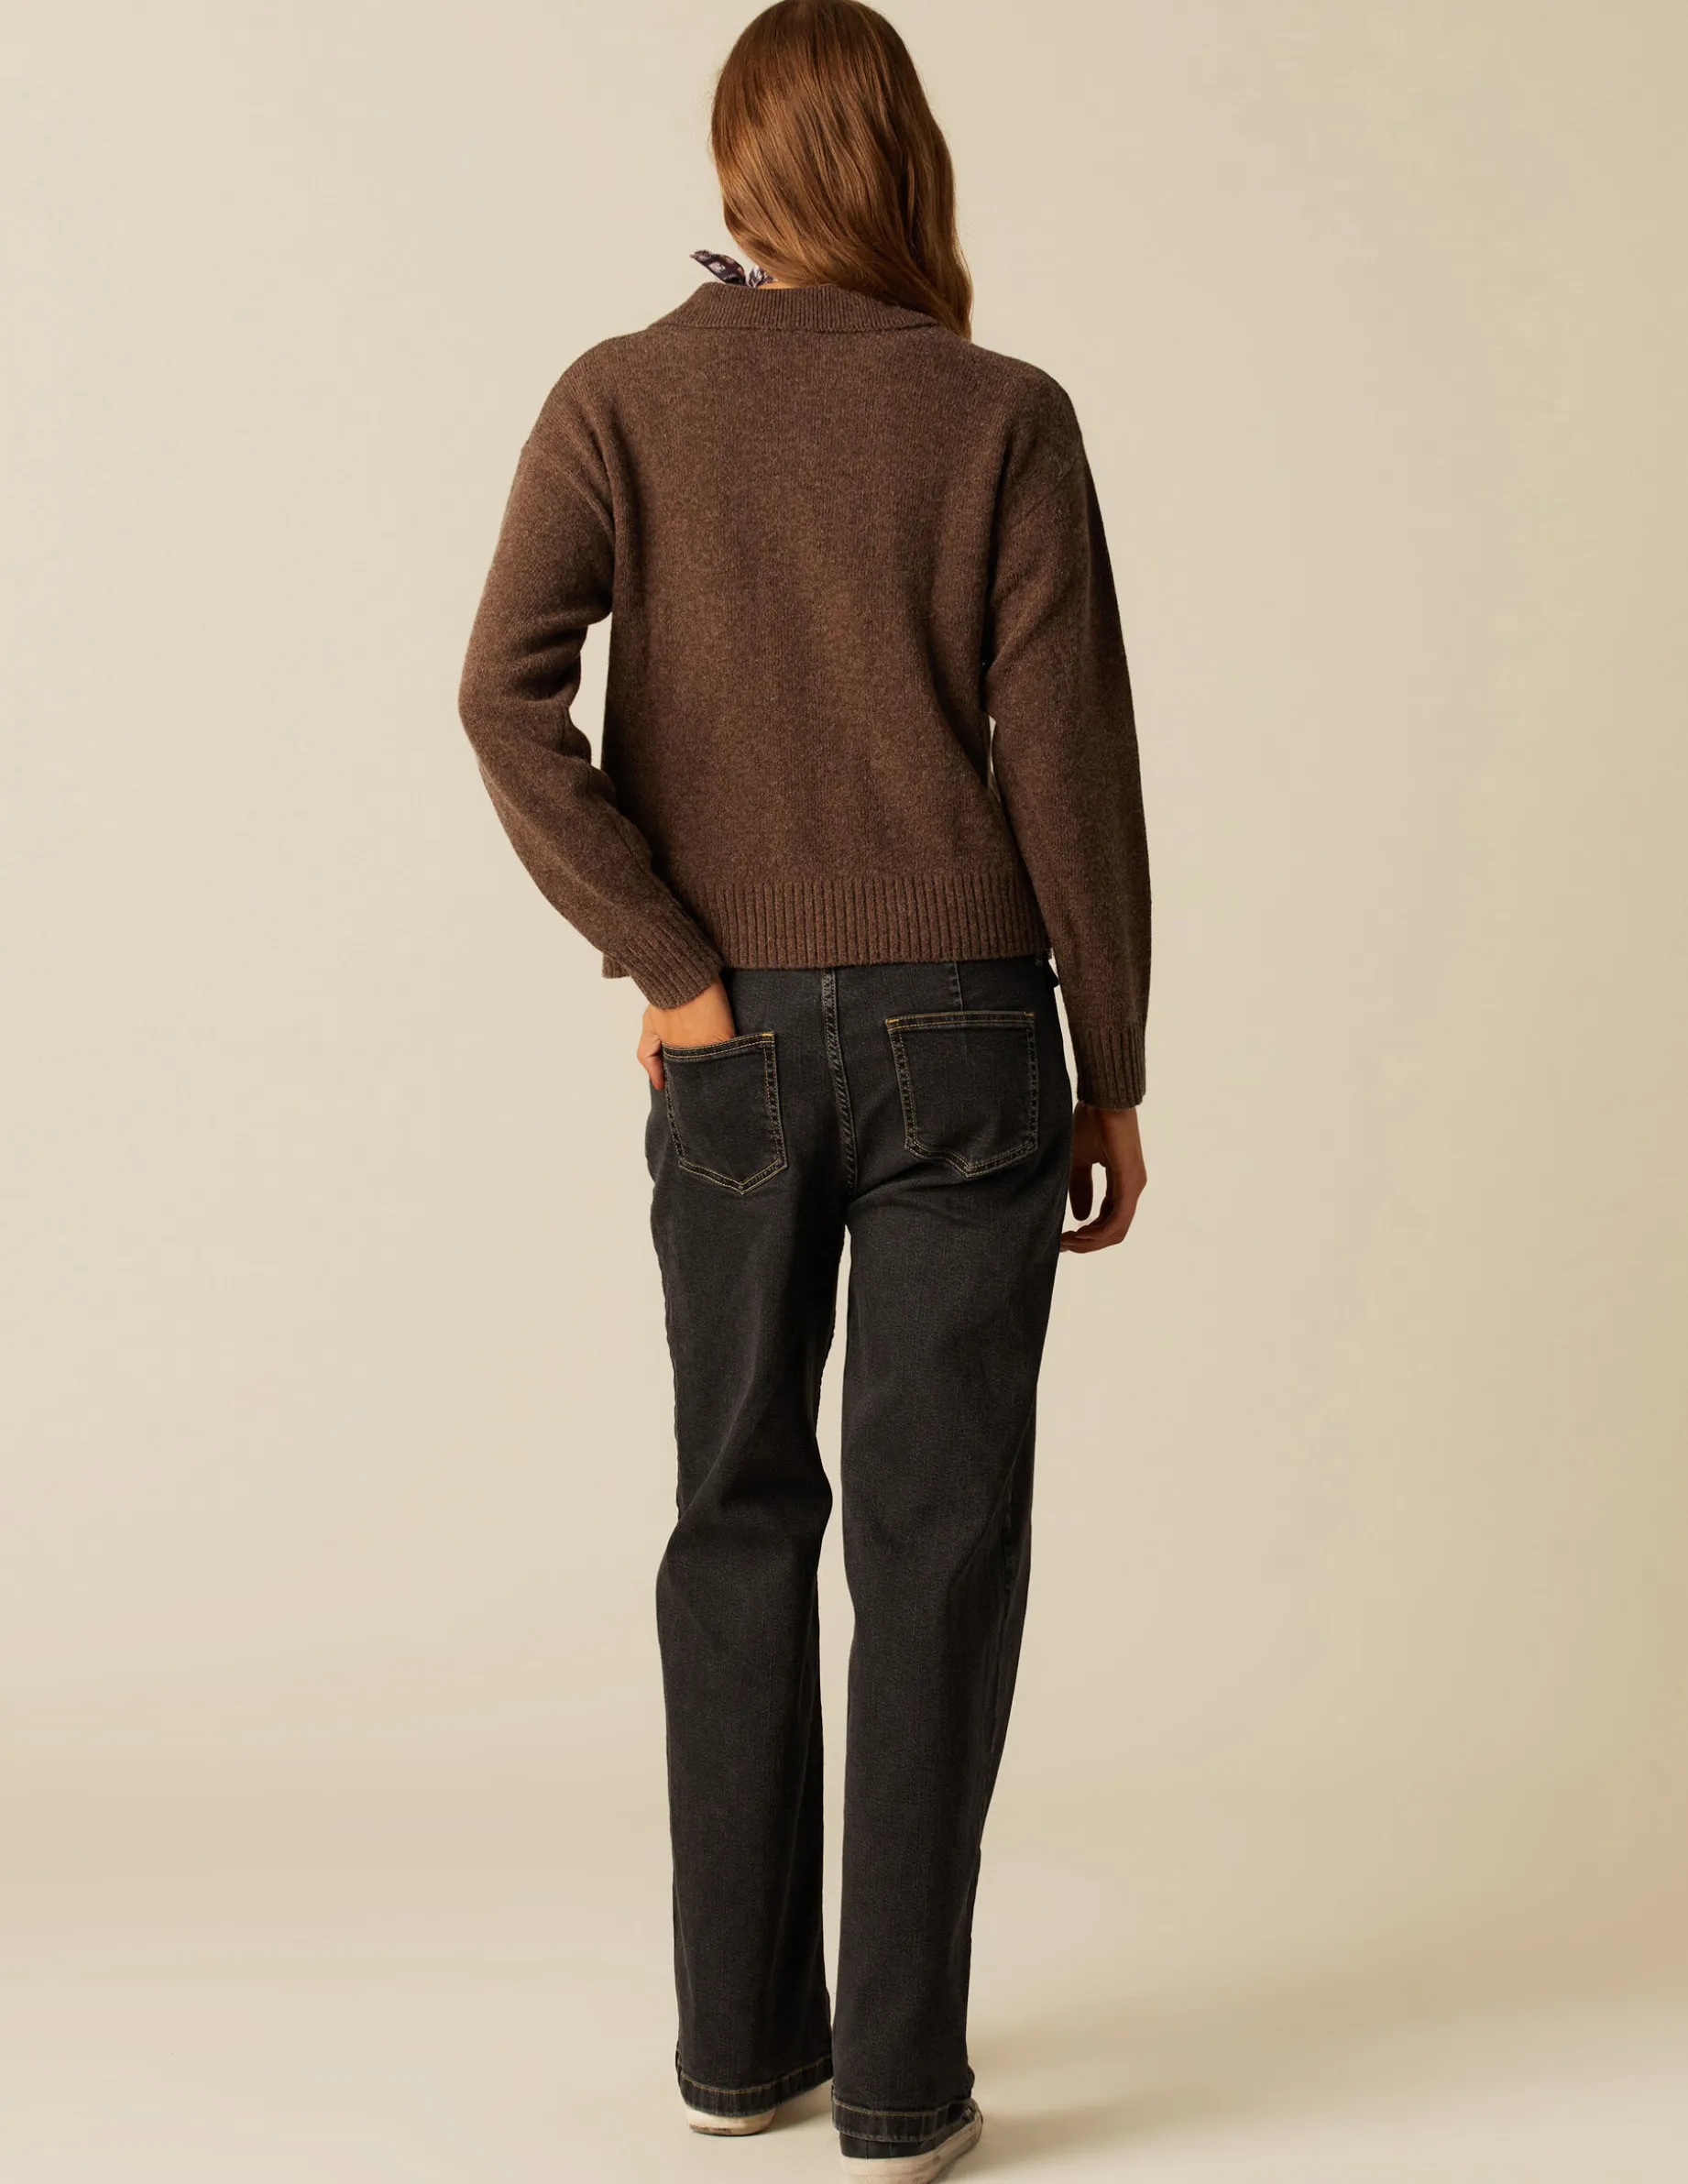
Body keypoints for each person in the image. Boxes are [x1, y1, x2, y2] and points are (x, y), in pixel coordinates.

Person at [457, 4, 1149, 2175]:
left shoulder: (621, 396)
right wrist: (1112, 1061)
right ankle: (906, 2094)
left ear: (739, 164)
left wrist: (671, 966)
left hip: (732, 1048)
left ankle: (744, 2052)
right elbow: (1074, 766)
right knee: (936, 1550)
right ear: (905, 162)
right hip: (969, 1041)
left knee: (737, 1517)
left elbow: (498, 696)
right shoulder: (1001, 414)